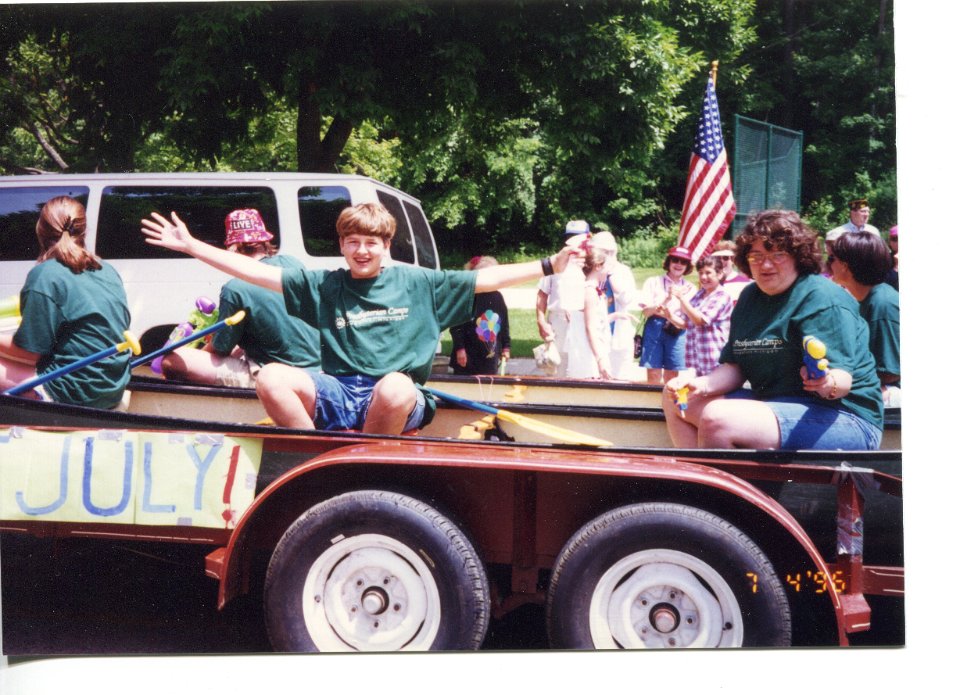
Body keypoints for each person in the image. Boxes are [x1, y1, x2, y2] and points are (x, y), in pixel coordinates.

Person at [142, 202, 580, 434]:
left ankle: (366, 463)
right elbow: (256, 272)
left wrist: (549, 265)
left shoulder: (419, 282)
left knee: (394, 385)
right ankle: (311, 458)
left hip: (397, 397)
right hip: (338, 390)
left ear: (386, 244)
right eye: (352, 242)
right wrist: (194, 246)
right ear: (343, 245)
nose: (362, 251)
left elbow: (486, 280)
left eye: (371, 242)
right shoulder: (327, 284)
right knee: (272, 376)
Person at [662, 209, 883, 451]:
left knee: (719, 419)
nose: (765, 265)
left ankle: (723, 488)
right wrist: (701, 385)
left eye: (778, 255)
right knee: (675, 398)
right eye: (756, 256)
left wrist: (825, 382)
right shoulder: (749, 297)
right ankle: (697, 481)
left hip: (844, 416)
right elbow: (735, 368)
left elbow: (843, 381)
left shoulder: (822, 297)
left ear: (798, 256)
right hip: (775, 405)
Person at [160, 209, 323, 387]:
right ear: (265, 240)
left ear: (233, 246)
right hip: (318, 369)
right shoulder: (292, 264)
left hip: (276, 376)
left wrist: (201, 351)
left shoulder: (234, 289)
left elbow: (220, 350)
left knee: (172, 361)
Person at [0, 196, 131, 409]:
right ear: (84, 231)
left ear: (39, 230)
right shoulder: (106, 269)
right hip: (112, 387)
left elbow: (29, 352)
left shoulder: (44, 275)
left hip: (72, 391)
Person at [828, 231, 900, 407]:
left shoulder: (883, 305)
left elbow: (890, 371)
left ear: (845, 266)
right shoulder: (857, 297)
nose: (829, 264)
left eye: (832, 259)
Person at [536, 220, 589, 377]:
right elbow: (542, 294)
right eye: (571, 237)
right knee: (556, 367)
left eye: (579, 237)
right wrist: (540, 320)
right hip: (559, 321)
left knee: (581, 366)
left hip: (583, 320)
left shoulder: (591, 263)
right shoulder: (555, 262)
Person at [636, 245, 695, 378]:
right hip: (654, 327)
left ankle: (668, 399)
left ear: (688, 266)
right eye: (675, 260)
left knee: (672, 373)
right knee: (653, 371)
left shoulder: (691, 288)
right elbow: (646, 312)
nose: (679, 264)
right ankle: (652, 399)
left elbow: (688, 316)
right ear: (669, 261)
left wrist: (667, 310)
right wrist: (666, 298)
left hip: (676, 328)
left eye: (683, 262)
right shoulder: (653, 282)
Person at [449, 256, 511, 375]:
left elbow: (504, 324)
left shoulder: (497, 297)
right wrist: (460, 349)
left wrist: (506, 347)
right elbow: (456, 327)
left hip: (489, 356)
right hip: (468, 355)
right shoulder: (467, 297)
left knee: (488, 385)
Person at [591, 231, 640, 379]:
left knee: (620, 377)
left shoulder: (623, 271)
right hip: (596, 334)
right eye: (602, 251)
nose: (606, 255)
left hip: (619, 335)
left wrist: (612, 276)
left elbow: (627, 299)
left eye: (609, 252)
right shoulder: (590, 272)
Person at [675, 255, 733, 377]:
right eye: (700, 273)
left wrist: (681, 298)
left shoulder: (722, 296)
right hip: (695, 360)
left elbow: (700, 321)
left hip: (715, 359)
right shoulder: (698, 295)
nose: (703, 277)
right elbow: (686, 323)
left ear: (720, 274)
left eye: (708, 273)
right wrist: (668, 315)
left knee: (715, 395)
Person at [565, 247, 616, 379]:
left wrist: (617, 316)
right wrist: (600, 359)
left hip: (592, 348)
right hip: (587, 353)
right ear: (598, 266)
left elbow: (596, 321)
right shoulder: (589, 292)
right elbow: (590, 328)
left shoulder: (592, 289)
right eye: (607, 266)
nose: (609, 271)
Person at [884, 225, 899, 291]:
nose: (897, 242)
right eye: (894, 239)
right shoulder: (886, 259)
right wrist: (896, 267)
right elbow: (885, 285)